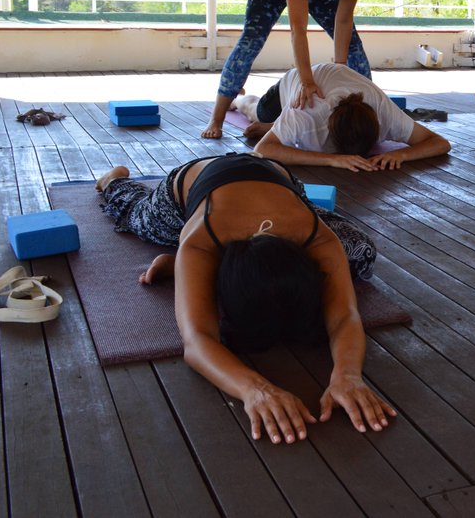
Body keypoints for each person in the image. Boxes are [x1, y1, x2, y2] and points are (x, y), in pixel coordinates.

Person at [95, 153, 395, 445]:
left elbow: (344, 315)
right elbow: (197, 340)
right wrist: (254, 389)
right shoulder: (199, 240)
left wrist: (348, 375)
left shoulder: (317, 237)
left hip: (277, 179)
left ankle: (195, 272)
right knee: (134, 214)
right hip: (192, 185)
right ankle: (114, 180)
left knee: (360, 251)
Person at [202, 0, 372, 139]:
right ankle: (217, 118)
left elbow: (343, 21)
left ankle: (369, 111)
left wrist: (340, 69)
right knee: (251, 40)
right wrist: (307, 81)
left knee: (353, 45)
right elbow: (298, 30)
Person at [247, 63, 451, 171]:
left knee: (285, 129)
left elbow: (440, 143)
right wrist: (331, 160)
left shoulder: (385, 113)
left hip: (336, 80)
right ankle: (242, 102)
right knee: (255, 112)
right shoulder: (308, 112)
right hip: (291, 87)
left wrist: (402, 155)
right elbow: (263, 149)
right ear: (330, 131)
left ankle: (278, 128)